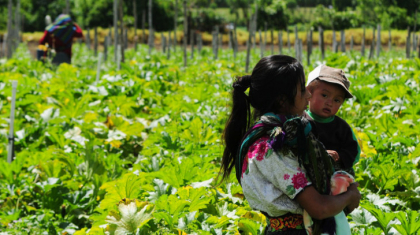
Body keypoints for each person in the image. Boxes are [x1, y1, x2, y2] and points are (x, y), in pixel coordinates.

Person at [219, 55, 361, 235]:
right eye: (302, 90)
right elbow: (319, 207)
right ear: (282, 100)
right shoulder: (271, 145)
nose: (309, 94)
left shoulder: (281, 133)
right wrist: (350, 196)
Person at [303, 65, 361, 177]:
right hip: (307, 176)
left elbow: (354, 152)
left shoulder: (342, 128)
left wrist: (338, 158)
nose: (330, 103)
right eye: (324, 95)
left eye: (337, 100)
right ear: (309, 93)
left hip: (335, 175)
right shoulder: (300, 120)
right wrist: (321, 155)